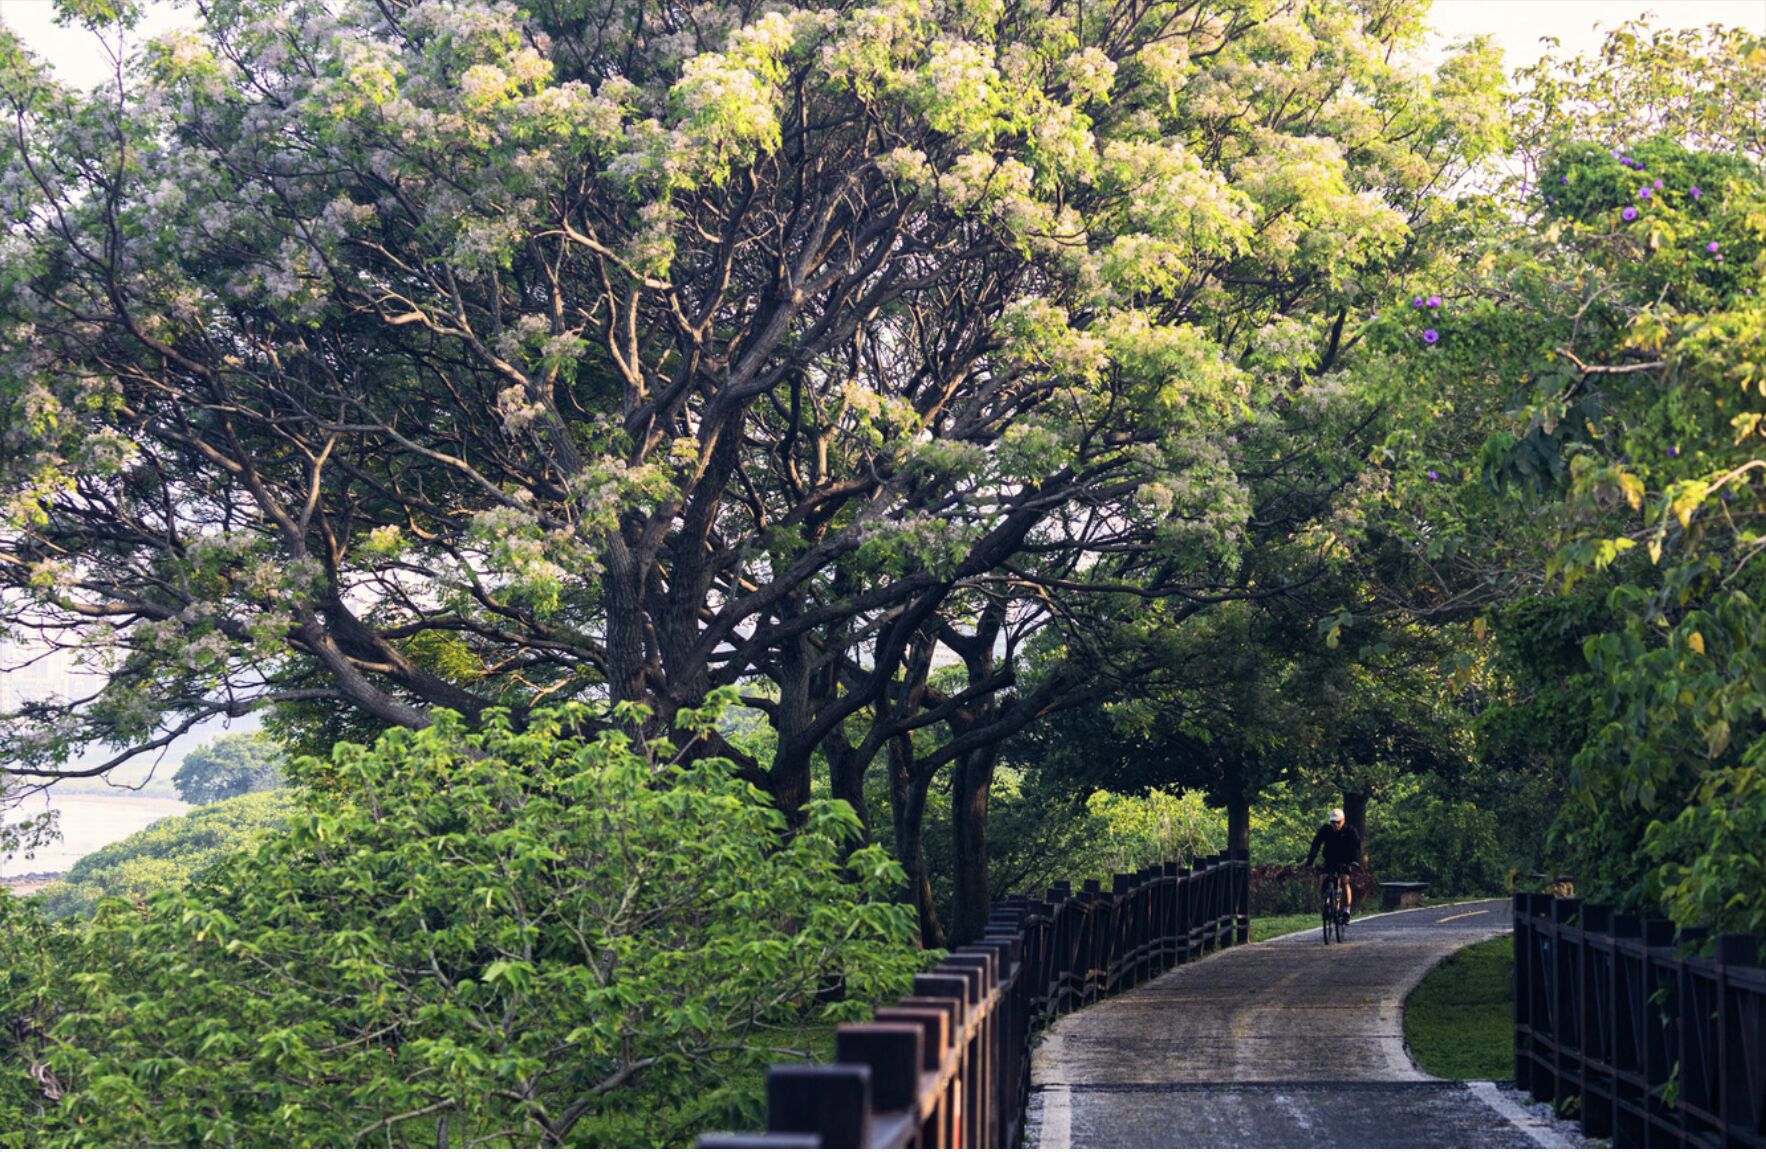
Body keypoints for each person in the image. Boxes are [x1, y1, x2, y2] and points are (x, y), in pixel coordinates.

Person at [1304, 807, 1362, 921]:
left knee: (1344, 881)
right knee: (1323, 879)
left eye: (1338, 822)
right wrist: (1310, 862)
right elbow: (1316, 845)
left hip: (1345, 860)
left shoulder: (1350, 831)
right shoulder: (1325, 830)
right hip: (1330, 859)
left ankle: (1346, 910)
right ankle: (1327, 903)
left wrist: (1354, 861)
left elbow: (1356, 846)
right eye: (1333, 822)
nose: (1335, 825)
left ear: (1343, 821)